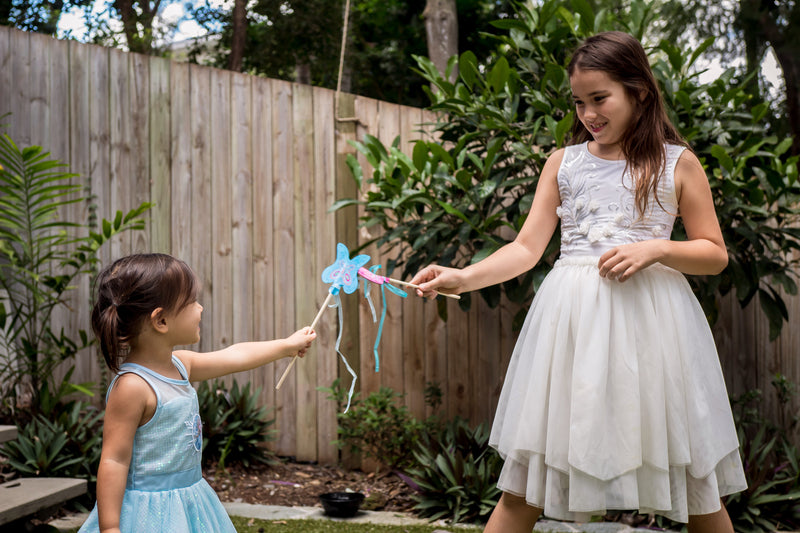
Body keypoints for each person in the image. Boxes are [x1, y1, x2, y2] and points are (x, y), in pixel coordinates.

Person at [410, 31, 746, 533]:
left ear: (640, 92)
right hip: (571, 334)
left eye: (600, 98)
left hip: (655, 334)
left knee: (696, 482)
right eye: (579, 102)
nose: (588, 113)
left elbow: (714, 254)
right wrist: (463, 277)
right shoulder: (563, 165)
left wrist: (657, 248)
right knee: (525, 485)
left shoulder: (677, 163)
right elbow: (525, 250)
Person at [79, 253, 316, 533]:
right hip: (148, 515)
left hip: (191, 499)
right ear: (161, 321)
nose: (200, 308)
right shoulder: (133, 387)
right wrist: (109, 528)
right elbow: (114, 460)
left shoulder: (182, 365)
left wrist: (285, 346)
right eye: (191, 302)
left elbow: (235, 355)